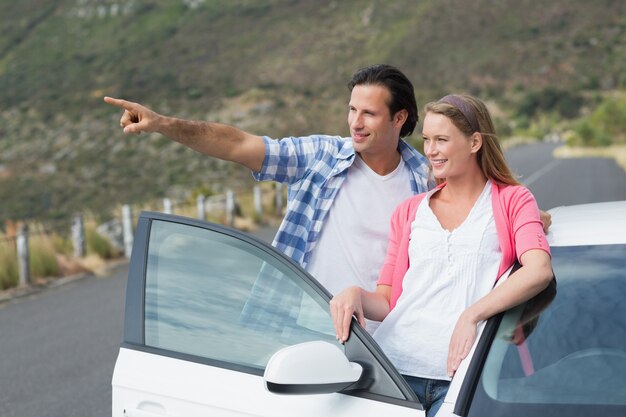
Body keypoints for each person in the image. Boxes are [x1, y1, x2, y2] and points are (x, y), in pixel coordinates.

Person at [104, 65, 433, 322]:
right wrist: (162, 123)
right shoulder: (321, 157)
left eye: (369, 113)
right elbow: (238, 144)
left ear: (398, 118)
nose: (355, 123)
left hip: (385, 342)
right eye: (352, 110)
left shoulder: (425, 181)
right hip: (309, 326)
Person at [329, 94, 554, 416]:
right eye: (426, 140)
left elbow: (538, 271)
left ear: (474, 142)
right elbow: (388, 301)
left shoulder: (513, 200)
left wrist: (471, 315)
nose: (430, 150)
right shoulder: (410, 211)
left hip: (462, 378)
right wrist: (354, 295)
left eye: (442, 140)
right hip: (394, 373)